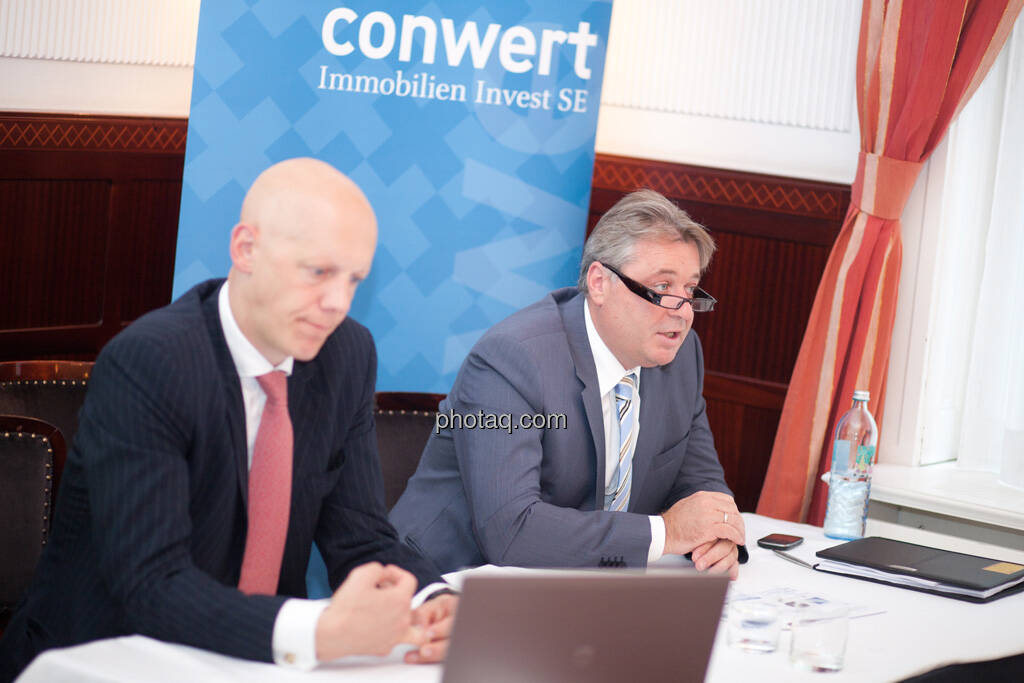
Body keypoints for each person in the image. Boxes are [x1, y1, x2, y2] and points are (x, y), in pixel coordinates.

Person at [0, 158, 456, 681]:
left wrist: (433, 599)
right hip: (108, 656)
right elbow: (151, 584)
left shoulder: (347, 354)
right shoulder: (151, 362)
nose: (338, 303)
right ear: (245, 249)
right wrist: (317, 631)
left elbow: (361, 536)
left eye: (354, 280)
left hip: (258, 658)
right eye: (318, 272)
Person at [390, 189, 747, 575]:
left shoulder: (681, 355)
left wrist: (716, 532)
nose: (683, 313)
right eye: (662, 288)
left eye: (690, 290)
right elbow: (511, 530)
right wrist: (668, 533)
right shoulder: (511, 360)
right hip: (445, 579)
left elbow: (699, 481)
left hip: (582, 583)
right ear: (599, 283)